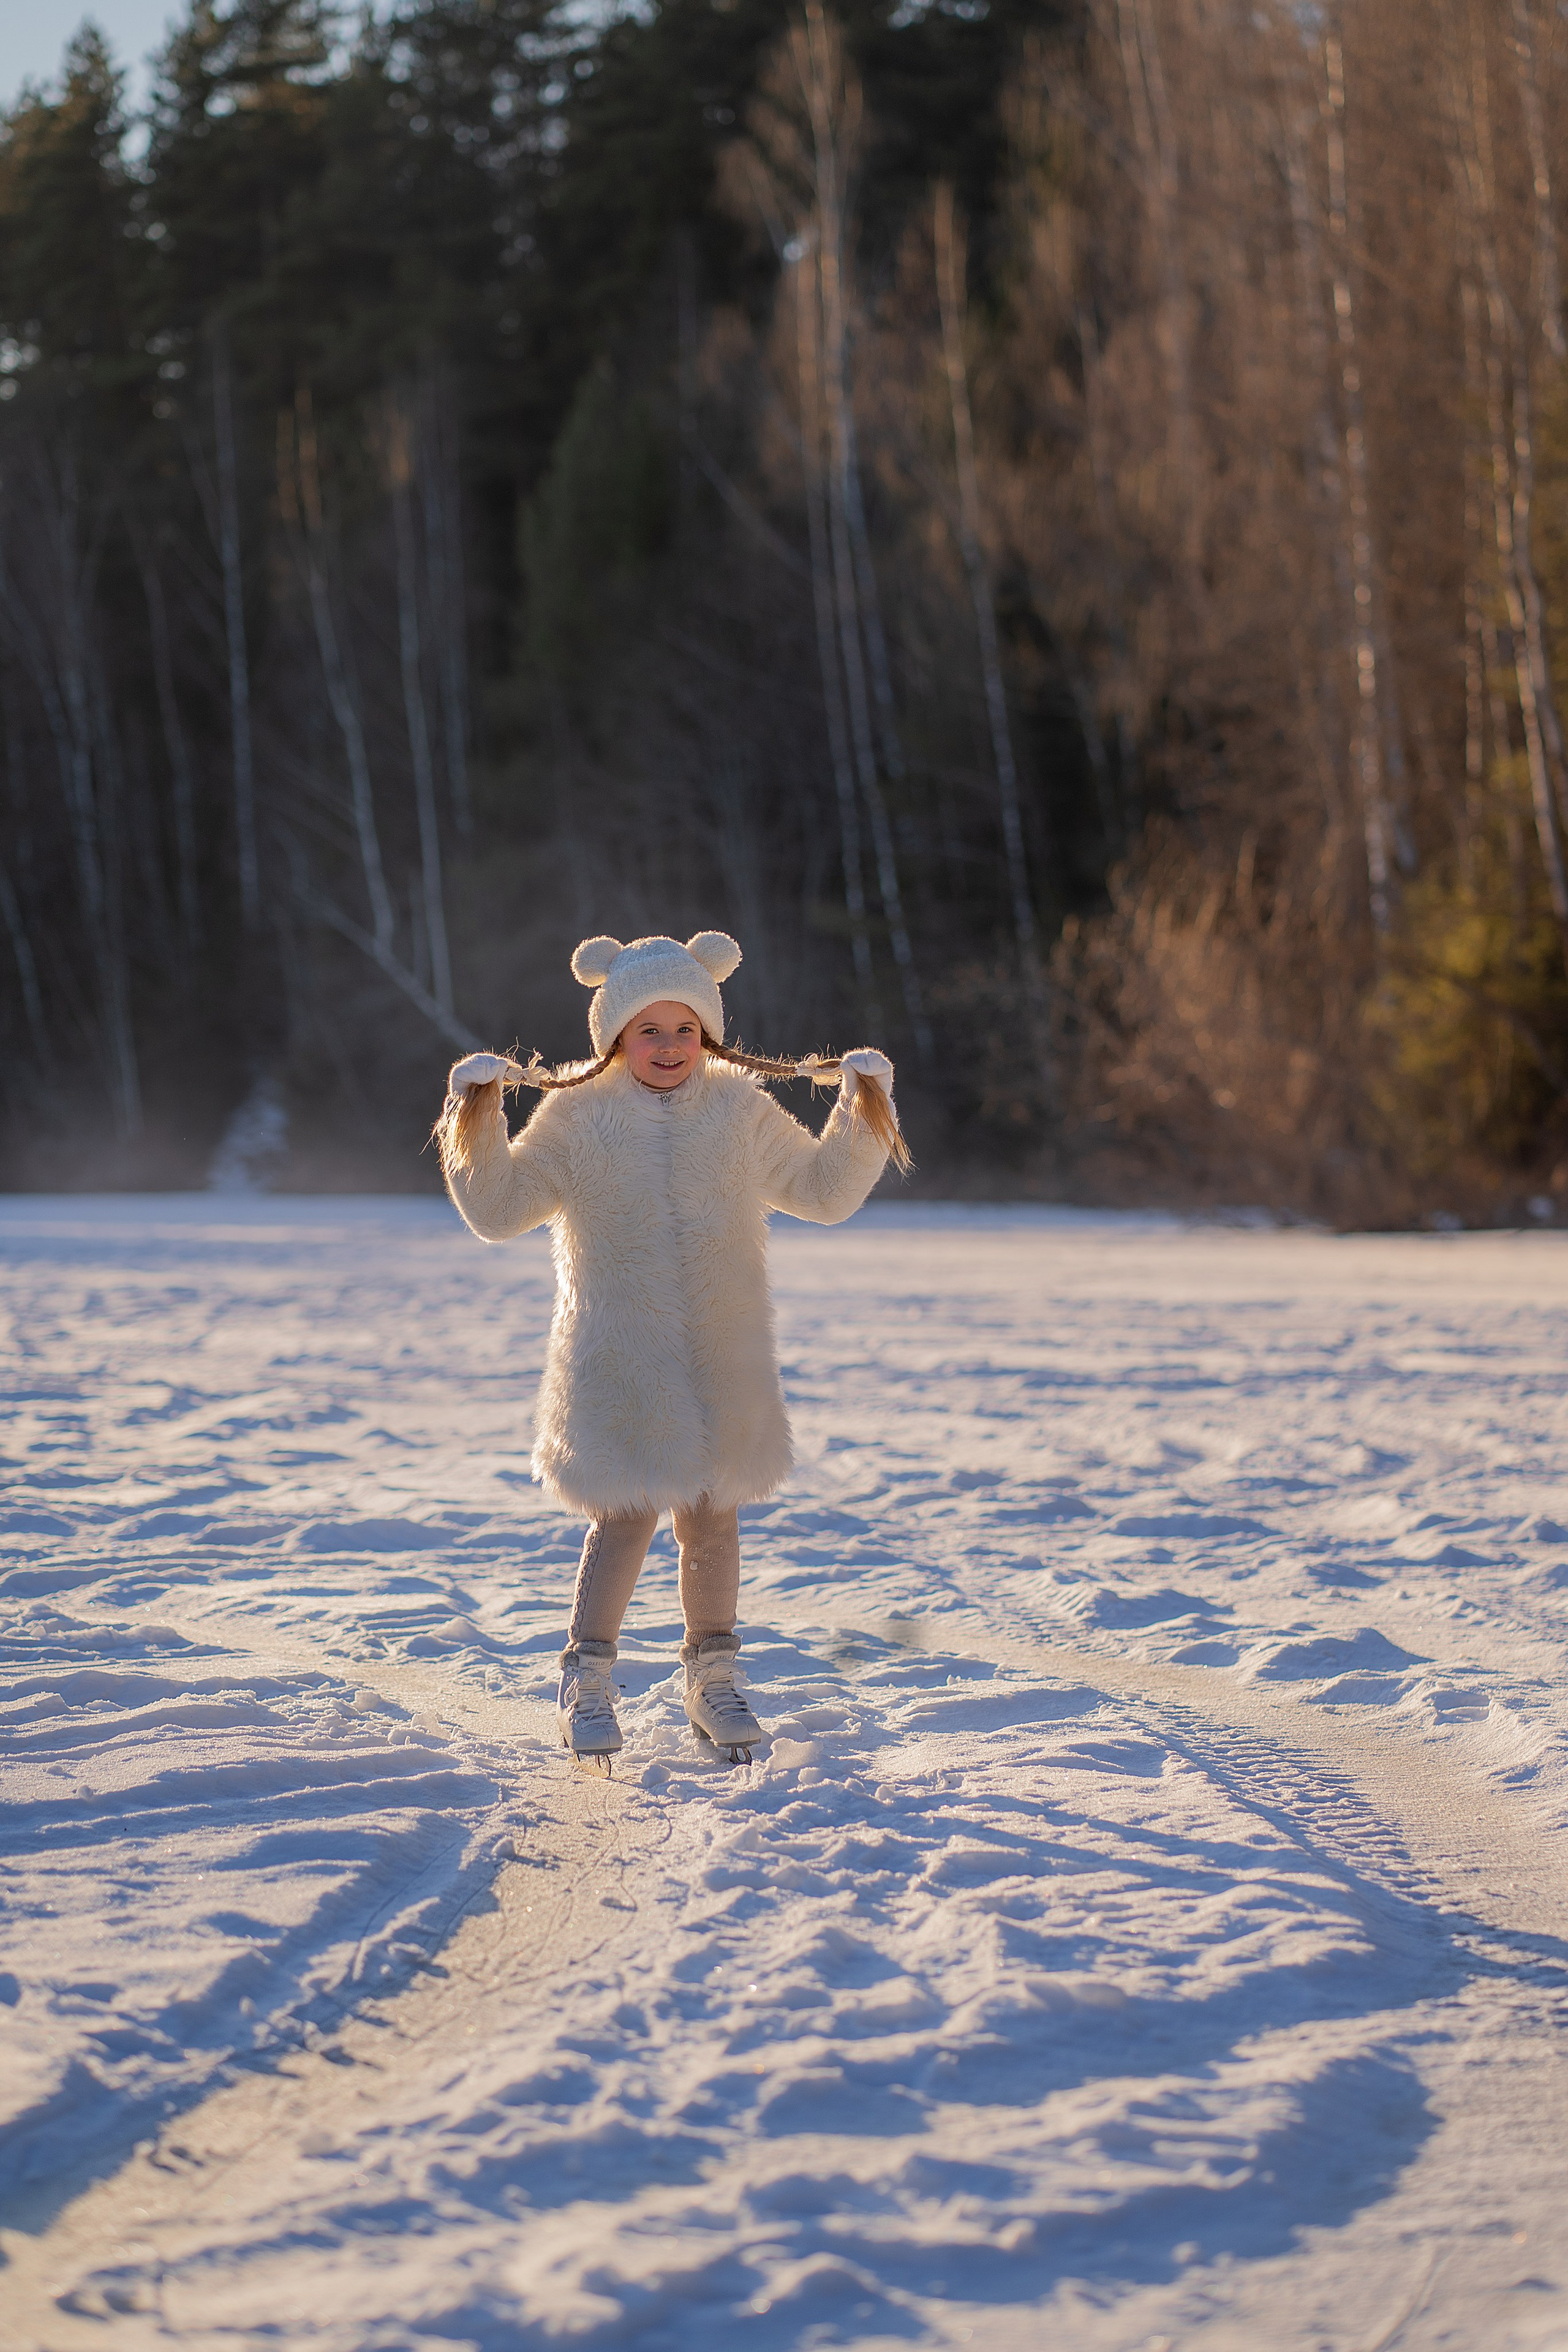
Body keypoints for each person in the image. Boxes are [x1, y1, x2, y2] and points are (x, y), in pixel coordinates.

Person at [435, 930, 907, 1768]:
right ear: (615, 1036)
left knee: (713, 1518)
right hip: (622, 1361)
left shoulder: (737, 1108)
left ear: (709, 1034)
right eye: (649, 1031)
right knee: (624, 1519)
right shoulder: (577, 1117)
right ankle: (586, 1680)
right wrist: (477, 1117)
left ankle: (712, 1679)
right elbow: (499, 1211)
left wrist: (861, 1104)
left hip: (723, 1357)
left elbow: (823, 1192)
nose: (669, 1047)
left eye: (685, 1029)